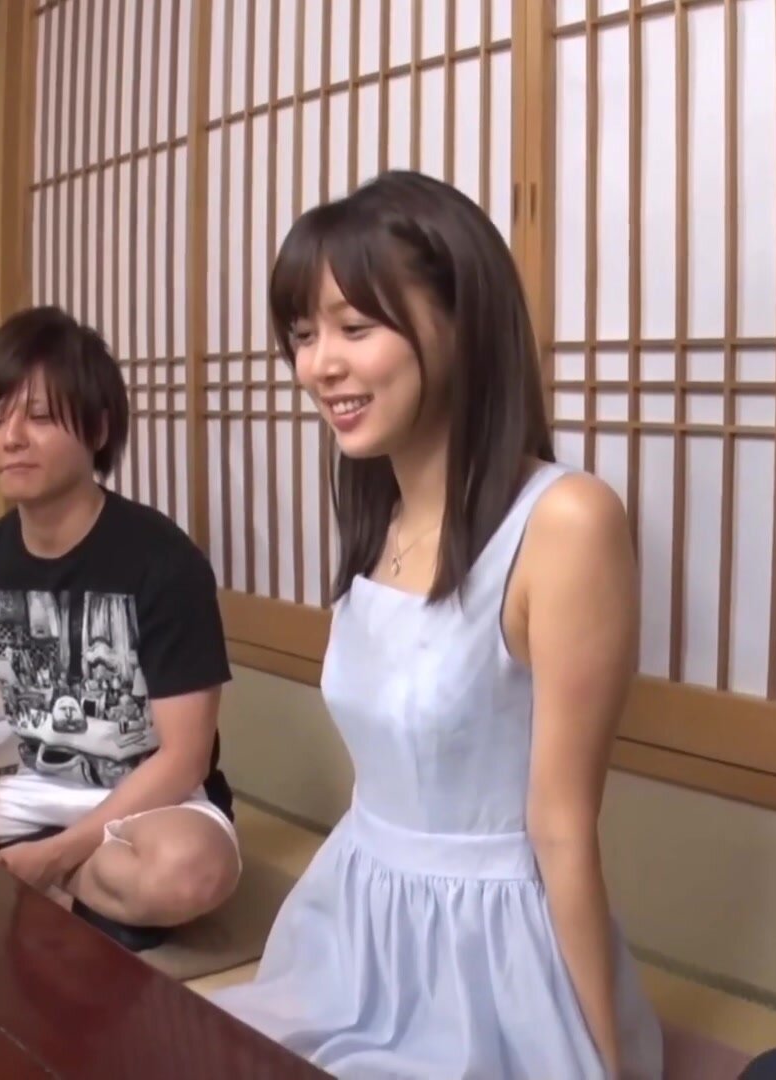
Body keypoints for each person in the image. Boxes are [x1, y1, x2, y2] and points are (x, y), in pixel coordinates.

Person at [208, 170, 664, 1079]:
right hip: (355, 926)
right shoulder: (377, 518)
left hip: (490, 964)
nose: (317, 365)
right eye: (302, 335)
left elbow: (562, 828)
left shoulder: (566, 521)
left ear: (462, 321)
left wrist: (603, 1061)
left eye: (354, 327)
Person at [0, 305, 240, 952]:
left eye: (37, 416)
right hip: (33, 792)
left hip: (150, 804)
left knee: (191, 872)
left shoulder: (163, 562)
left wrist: (56, 854)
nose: (11, 438)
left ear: (97, 427)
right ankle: (66, 891)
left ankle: (45, 880)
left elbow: (184, 757)